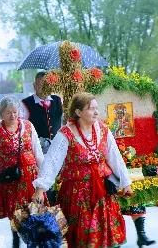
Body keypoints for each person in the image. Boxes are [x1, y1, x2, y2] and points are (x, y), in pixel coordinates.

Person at [33, 92, 133, 248]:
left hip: (103, 193)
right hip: (77, 195)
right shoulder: (65, 134)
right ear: (78, 112)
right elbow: (51, 162)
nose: (96, 112)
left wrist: (125, 182)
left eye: (96, 108)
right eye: (91, 108)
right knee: (82, 237)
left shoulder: (103, 130)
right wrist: (40, 188)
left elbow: (115, 157)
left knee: (106, 237)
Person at [0, 95, 44, 248]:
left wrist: (45, 175)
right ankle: (16, 239)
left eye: (15, 111)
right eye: (8, 112)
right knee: (14, 212)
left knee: (31, 211)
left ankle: (29, 241)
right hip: (9, 178)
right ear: (1, 114)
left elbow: (37, 152)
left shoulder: (28, 126)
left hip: (29, 177)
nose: (13, 115)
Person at [21, 71, 63, 146]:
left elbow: (65, 120)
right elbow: (22, 128)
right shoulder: (26, 103)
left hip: (57, 146)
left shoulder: (58, 100)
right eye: (40, 85)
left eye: (46, 85)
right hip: (37, 147)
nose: (44, 88)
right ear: (34, 86)